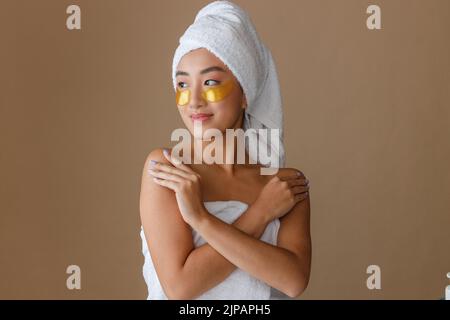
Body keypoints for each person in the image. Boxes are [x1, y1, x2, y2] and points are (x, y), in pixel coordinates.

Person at [139, 0, 311, 300]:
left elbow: (293, 281)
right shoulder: (167, 169)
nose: (193, 101)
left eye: (210, 82)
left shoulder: (283, 184)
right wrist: (260, 213)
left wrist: (200, 218)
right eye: (181, 85)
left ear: (245, 92)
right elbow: (180, 287)